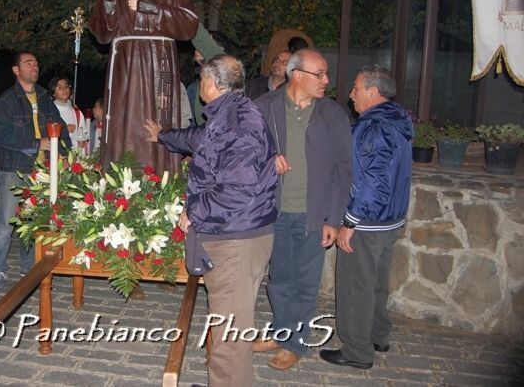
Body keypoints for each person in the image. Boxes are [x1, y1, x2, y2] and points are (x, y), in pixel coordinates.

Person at [145, 54, 277, 387]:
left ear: (210, 83)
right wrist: (163, 136)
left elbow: (237, 188)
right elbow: (198, 140)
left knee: (229, 339)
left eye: (202, 78)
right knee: (228, 327)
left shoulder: (239, 120)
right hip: (236, 233)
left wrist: (195, 210)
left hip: (236, 238)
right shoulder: (227, 115)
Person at [252, 49, 352, 370]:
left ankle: (293, 343)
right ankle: (282, 331)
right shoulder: (264, 108)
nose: (327, 80)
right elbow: (243, 155)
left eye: (325, 74)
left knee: (305, 283)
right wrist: (267, 161)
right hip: (275, 212)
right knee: (279, 280)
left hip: (314, 215)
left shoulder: (332, 115)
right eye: (319, 74)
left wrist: (333, 219)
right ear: (297, 75)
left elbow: (342, 171)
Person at [320, 65, 412, 370]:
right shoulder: (396, 121)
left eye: (356, 88)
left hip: (368, 222)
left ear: (373, 92)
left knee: (355, 285)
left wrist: (350, 221)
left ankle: (357, 351)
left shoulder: (373, 127)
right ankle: (377, 335)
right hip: (389, 219)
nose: (351, 94)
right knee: (375, 282)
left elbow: (374, 181)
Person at [89, 0, 199, 172]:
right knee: (122, 123)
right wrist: (108, 0)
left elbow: (189, 24)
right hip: (124, 64)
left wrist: (156, 10)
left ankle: (159, 186)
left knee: (156, 120)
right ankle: (118, 185)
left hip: (158, 61)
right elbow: (101, 33)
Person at [0, 52, 69, 285]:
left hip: (41, 171)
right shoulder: (7, 100)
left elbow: (60, 128)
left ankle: (27, 266)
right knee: (6, 223)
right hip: (15, 169)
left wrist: (64, 153)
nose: (34, 66)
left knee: (32, 222)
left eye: (36, 62)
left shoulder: (45, 98)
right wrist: (36, 144)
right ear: (16, 70)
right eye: (28, 63)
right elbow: (0, 135)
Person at [48, 75, 88, 152]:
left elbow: (83, 136)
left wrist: (82, 142)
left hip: (74, 156)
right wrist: (64, 129)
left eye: (66, 86)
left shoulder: (77, 113)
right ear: (53, 93)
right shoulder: (48, 112)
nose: (64, 89)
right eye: (59, 87)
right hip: (56, 156)